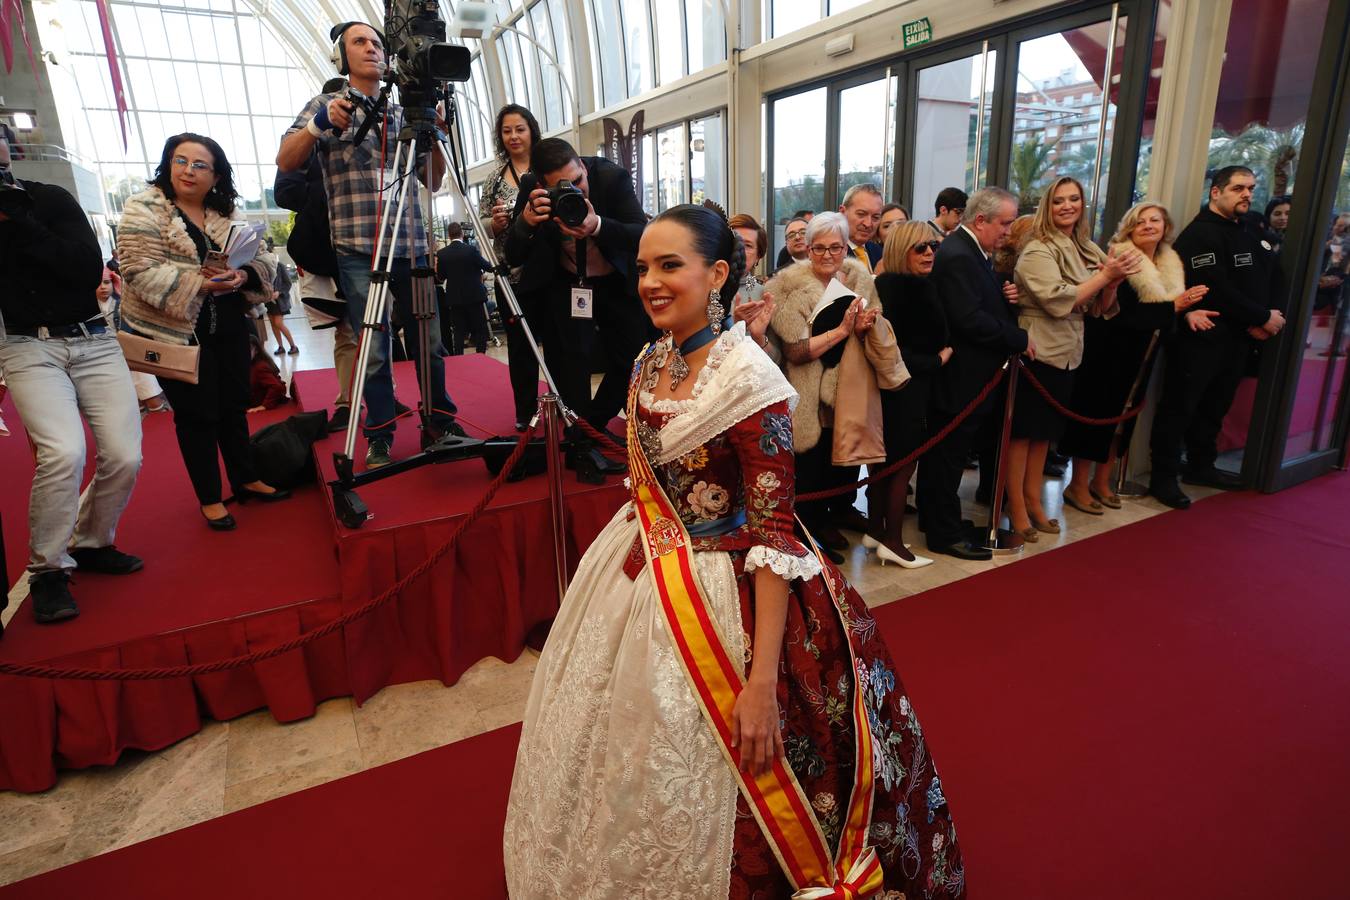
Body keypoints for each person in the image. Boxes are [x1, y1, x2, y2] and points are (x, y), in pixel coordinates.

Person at [503, 204, 962, 898]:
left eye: (670, 266)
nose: (651, 282)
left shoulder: (752, 383)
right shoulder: (648, 356)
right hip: (647, 568)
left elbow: (774, 536)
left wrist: (758, 686)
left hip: (736, 599)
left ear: (717, 273)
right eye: (643, 268)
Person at [278, 21, 463, 469]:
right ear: (341, 57)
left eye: (378, 44)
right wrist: (320, 127)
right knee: (374, 347)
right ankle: (380, 432)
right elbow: (286, 160)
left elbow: (433, 181)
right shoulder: (325, 104)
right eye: (360, 42)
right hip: (359, 250)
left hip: (414, 246)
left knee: (429, 342)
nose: (372, 50)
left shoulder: (403, 115)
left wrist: (436, 136)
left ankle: (439, 420)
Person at [0, 134, 143, 624]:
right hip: (26, 346)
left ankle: (92, 541)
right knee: (63, 451)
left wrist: (17, 218)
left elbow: (85, 268)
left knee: (125, 454)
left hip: (93, 340)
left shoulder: (47, 199)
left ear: (7, 150)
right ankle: (48, 570)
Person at [119, 133, 290, 531]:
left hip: (230, 324)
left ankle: (246, 477)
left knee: (234, 404)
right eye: (181, 161)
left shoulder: (223, 211)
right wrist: (198, 282)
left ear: (216, 176)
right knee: (197, 416)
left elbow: (262, 256)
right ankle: (210, 498)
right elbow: (138, 269)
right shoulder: (144, 210)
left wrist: (242, 274)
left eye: (200, 165)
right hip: (178, 331)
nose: (189, 171)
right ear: (168, 163)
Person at [506, 137, 650, 480]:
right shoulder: (531, 189)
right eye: (561, 187)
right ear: (541, 185)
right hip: (566, 283)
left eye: (578, 179)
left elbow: (641, 234)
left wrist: (596, 225)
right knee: (570, 364)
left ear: (583, 167)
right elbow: (513, 254)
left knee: (634, 357)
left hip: (614, 281)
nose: (577, 191)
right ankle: (581, 448)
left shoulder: (611, 177)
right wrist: (526, 221)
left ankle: (587, 430)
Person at [1008, 177, 1139, 540]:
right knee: (1022, 435)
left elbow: (1102, 308)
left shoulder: (1085, 246)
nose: (1067, 206)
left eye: (1074, 199)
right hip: (1037, 348)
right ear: (1047, 206)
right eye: (1059, 201)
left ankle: (1034, 500)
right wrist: (1106, 278)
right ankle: (1016, 506)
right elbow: (1056, 298)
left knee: (1043, 436)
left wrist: (1110, 282)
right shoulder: (1038, 248)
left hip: (1069, 350)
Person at [1148, 165, 1286, 508]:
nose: (1247, 195)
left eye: (1251, 188)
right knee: (1180, 407)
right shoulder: (1200, 235)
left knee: (1216, 406)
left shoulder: (1250, 229)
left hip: (1239, 337)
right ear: (1216, 192)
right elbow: (1217, 289)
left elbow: (1273, 274)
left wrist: (1269, 317)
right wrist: (1261, 316)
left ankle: (1201, 465)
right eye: (1238, 188)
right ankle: (1163, 478)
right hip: (1201, 338)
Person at [1060, 202, 1209, 511]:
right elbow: (1123, 314)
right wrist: (1175, 308)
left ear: (1166, 227)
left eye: (1155, 220)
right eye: (1140, 221)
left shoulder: (1170, 261)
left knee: (1123, 422)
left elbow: (1169, 306)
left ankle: (1101, 481)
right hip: (1110, 352)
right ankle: (1077, 485)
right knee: (1097, 418)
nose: (1148, 225)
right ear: (1129, 226)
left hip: (1145, 353)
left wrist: (1186, 312)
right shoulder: (1121, 257)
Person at [917, 187, 1029, 561]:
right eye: (1005, 223)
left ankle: (943, 520)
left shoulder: (972, 252)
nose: (1009, 232)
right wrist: (1017, 337)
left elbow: (980, 303)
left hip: (971, 376)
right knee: (946, 456)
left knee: (950, 455)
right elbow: (968, 319)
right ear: (980, 220)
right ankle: (942, 532)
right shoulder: (960, 255)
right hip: (960, 378)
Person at [766, 211, 880, 562]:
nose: (827, 255)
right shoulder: (788, 285)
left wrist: (864, 327)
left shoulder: (861, 277)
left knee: (841, 462)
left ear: (846, 246)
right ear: (806, 248)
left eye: (835, 247)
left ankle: (830, 519)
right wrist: (841, 332)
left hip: (848, 383)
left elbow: (875, 323)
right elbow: (795, 352)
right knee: (810, 469)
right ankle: (809, 535)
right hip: (807, 388)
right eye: (818, 248)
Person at [868, 222, 953, 569]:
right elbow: (895, 349)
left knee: (883, 464)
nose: (930, 252)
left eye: (933, 245)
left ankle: (876, 532)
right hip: (907, 387)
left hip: (895, 388)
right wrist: (937, 360)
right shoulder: (908, 289)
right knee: (901, 466)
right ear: (902, 251)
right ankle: (893, 543)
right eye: (920, 248)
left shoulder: (892, 286)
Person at [274, 75, 356, 432]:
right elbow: (286, 186)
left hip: (365, 239)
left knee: (372, 327)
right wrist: (322, 199)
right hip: (329, 245)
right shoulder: (309, 133)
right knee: (350, 329)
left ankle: (378, 393)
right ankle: (348, 401)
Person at [479, 103, 544, 429]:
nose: (514, 136)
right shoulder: (493, 179)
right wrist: (497, 223)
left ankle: (565, 403)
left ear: (531, 130)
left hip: (552, 270)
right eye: (507, 131)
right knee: (520, 348)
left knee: (562, 343)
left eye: (520, 129)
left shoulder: (549, 167)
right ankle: (525, 412)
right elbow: (481, 225)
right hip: (511, 277)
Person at [436, 221, 493, 354]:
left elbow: (441, 277)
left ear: (449, 235)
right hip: (474, 296)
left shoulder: (442, 254)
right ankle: (480, 354)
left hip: (455, 298)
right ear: (462, 233)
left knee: (458, 331)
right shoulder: (471, 250)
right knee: (480, 328)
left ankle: (459, 357)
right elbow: (487, 267)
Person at [263, 239, 298, 355]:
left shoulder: (279, 266)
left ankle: (293, 345)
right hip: (268, 300)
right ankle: (280, 346)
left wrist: (279, 292)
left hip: (279, 301)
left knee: (278, 323)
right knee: (273, 324)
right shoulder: (261, 267)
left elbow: (288, 283)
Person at [839, 183, 884, 268]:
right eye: (861, 214)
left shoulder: (879, 253)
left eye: (875, 217)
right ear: (842, 212)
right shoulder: (830, 253)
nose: (868, 224)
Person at [247, 333, 289, 411]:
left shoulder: (260, 367)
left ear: (256, 351)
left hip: (258, 401)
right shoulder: (250, 363)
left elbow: (276, 386)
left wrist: (264, 406)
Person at [871, 202, 910, 273]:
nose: (895, 229)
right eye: (887, 226)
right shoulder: (872, 259)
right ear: (878, 235)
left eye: (901, 224)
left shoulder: (925, 253)